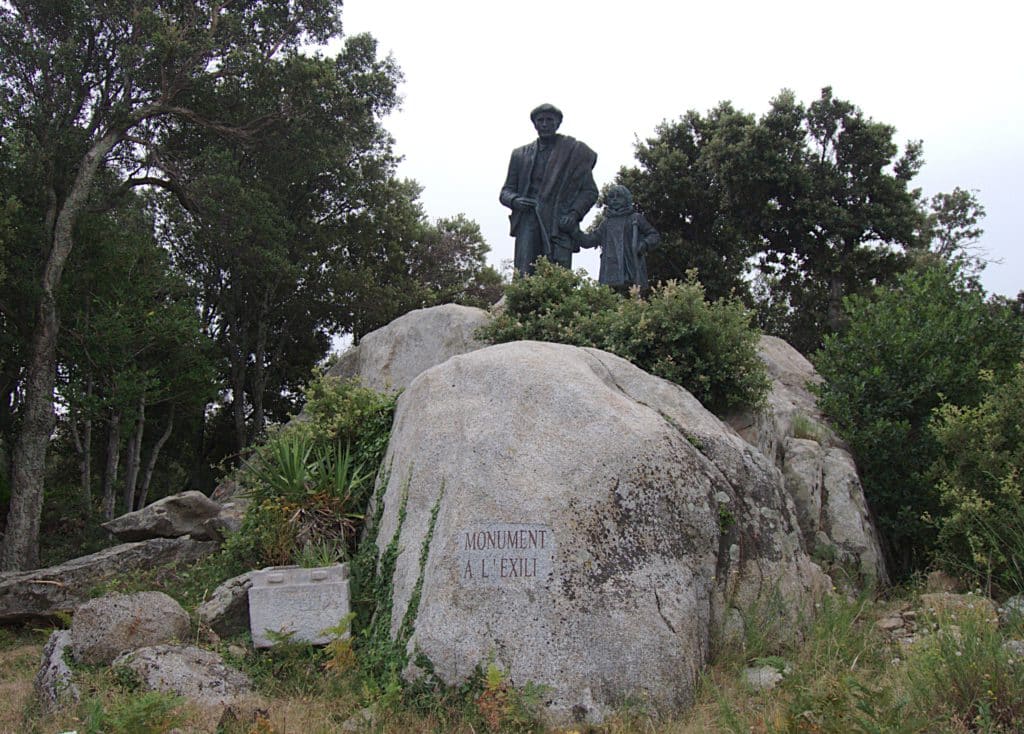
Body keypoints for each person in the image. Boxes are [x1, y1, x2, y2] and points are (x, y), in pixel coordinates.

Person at [500, 104, 598, 275]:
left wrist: (574, 214)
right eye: (540, 120)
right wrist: (516, 201)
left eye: (549, 120)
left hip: (558, 222)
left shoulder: (575, 152)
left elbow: (590, 192)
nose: (545, 124)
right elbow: (506, 192)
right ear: (535, 124)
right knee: (525, 273)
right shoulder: (520, 155)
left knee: (559, 276)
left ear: (558, 123)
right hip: (529, 221)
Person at [573, 185, 659, 292]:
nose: (614, 199)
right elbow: (590, 240)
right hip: (610, 273)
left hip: (630, 269)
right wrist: (574, 231)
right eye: (611, 197)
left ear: (626, 199)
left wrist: (644, 244)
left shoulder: (635, 219)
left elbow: (654, 235)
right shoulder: (606, 223)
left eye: (618, 196)